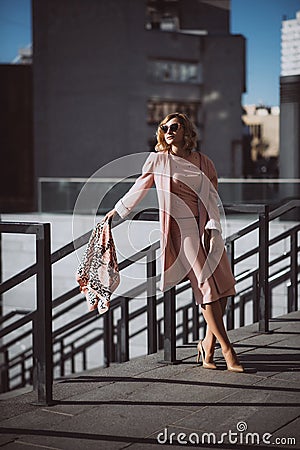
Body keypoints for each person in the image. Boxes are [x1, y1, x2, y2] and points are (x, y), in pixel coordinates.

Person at [105, 112, 244, 372]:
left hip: (205, 227)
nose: (168, 131)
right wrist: (119, 210)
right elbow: (140, 186)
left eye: (174, 126)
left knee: (224, 286)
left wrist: (213, 228)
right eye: (164, 127)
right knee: (207, 288)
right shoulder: (159, 160)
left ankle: (207, 345)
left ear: (186, 131)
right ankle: (228, 350)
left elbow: (212, 198)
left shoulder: (204, 162)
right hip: (181, 231)